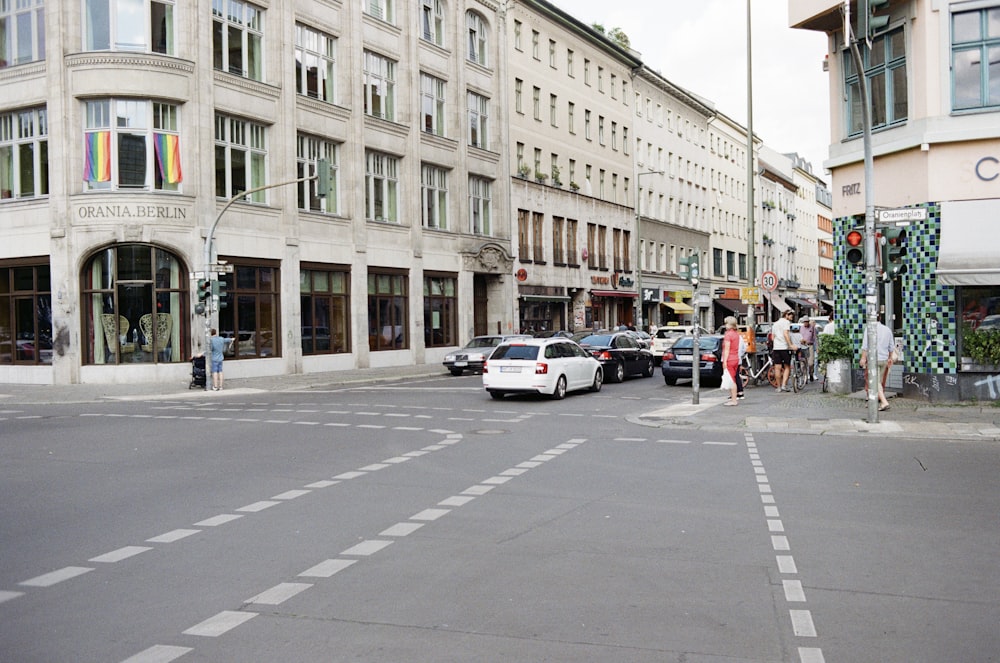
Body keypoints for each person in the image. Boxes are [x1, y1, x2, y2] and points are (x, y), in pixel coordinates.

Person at [860, 318, 895, 411]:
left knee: (875, 383)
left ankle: (884, 402)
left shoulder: (869, 328)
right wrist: (890, 358)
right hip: (884, 360)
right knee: (879, 382)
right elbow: (891, 346)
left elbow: (865, 346)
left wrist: (863, 358)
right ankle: (873, 401)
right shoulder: (887, 329)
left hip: (873, 360)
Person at [771, 310, 797, 392]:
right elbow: (786, 334)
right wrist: (790, 345)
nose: (791, 318)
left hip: (776, 348)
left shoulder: (775, 324)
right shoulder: (786, 322)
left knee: (777, 368)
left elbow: (772, 337)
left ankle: (778, 387)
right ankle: (784, 385)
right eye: (791, 316)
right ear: (786, 315)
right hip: (784, 347)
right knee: (787, 367)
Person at [721, 316, 740, 406]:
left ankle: (734, 400)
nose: (725, 325)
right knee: (733, 378)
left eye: (726, 323)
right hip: (735, 358)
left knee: (732, 380)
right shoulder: (736, 334)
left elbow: (727, 349)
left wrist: (724, 361)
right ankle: (733, 399)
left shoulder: (728, 334)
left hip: (730, 359)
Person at [799, 316, 817, 381]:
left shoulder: (812, 328)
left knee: (811, 363)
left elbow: (815, 338)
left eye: (807, 321)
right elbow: (799, 337)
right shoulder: (801, 328)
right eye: (804, 322)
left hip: (810, 346)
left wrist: (817, 347)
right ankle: (804, 376)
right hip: (803, 346)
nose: (806, 323)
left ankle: (811, 373)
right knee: (803, 363)